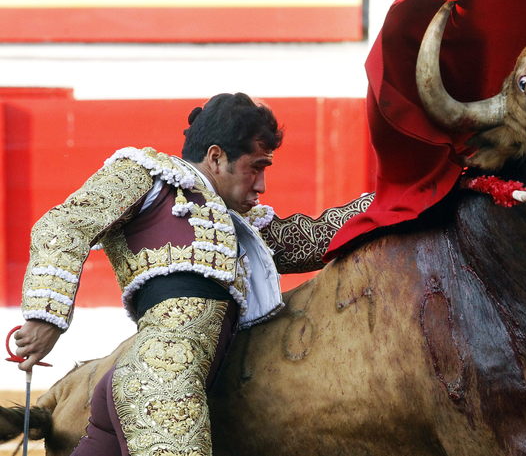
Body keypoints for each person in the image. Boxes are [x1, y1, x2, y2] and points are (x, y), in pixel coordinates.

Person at [13, 92, 373, 456]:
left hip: (151, 379)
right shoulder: (148, 175)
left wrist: (388, 205)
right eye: (255, 167)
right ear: (217, 157)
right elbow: (63, 225)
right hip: (164, 382)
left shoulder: (236, 223)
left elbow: (301, 242)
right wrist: (46, 315)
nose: (261, 185)